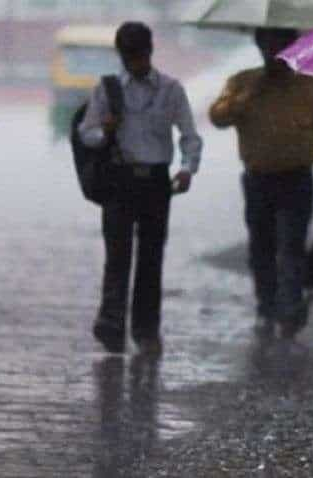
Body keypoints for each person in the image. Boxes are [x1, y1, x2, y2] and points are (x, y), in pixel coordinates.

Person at [209, 27, 313, 340]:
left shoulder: (310, 87)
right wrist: (246, 97)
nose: (275, 55)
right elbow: (218, 117)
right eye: (268, 48)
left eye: (282, 48)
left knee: (291, 246)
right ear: (260, 48)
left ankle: (289, 311)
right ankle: (266, 305)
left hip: (297, 178)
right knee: (261, 247)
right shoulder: (242, 81)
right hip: (258, 179)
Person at [79, 22, 202, 356]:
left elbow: (189, 133)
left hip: (156, 183)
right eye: (129, 56)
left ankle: (146, 330)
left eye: (140, 54)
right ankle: (111, 324)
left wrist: (188, 168)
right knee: (117, 256)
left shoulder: (171, 89)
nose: (135, 61)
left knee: (151, 257)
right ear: (121, 55)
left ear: (150, 51)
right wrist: (104, 131)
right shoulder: (108, 89)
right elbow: (85, 133)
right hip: (119, 180)